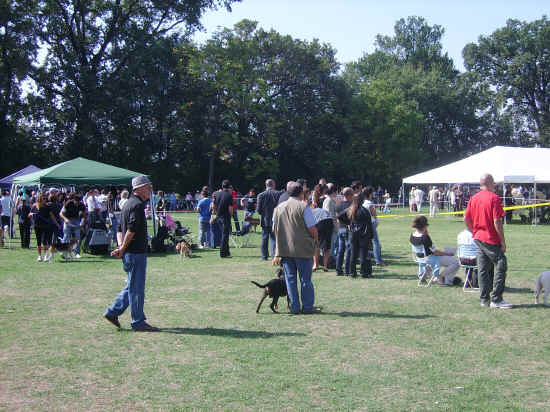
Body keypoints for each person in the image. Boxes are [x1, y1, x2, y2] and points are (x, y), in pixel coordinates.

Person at [104, 175, 159, 331]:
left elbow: (120, 230)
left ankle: (113, 312)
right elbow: (131, 229)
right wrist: (122, 248)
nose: (150, 190)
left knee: (132, 286)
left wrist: (121, 247)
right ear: (138, 189)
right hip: (135, 253)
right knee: (136, 289)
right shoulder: (137, 206)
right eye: (148, 187)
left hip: (130, 253)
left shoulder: (128, 204)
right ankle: (138, 321)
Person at [464, 173, 512, 308]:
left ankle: (484, 300)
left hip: (478, 237)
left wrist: (473, 230)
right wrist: (502, 241)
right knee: (501, 264)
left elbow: (466, 218)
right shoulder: (494, 198)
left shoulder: (473, 198)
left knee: (483, 269)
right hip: (490, 238)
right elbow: (497, 221)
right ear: (491, 183)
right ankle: (496, 299)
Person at [272, 181, 320, 314]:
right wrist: (316, 241)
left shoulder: (278, 208)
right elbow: (312, 229)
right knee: (306, 280)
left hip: (285, 249)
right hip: (303, 249)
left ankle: (294, 307)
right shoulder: (303, 207)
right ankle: (307, 307)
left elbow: (274, 229)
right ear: (301, 193)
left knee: (290, 281)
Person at [409, 215, 457, 285]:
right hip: (430, 259)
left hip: (420, 259)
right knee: (456, 262)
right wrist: (448, 254)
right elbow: (435, 252)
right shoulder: (425, 238)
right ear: (425, 226)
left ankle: (443, 279)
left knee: (446, 255)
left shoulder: (412, 236)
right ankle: (440, 277)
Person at [348, 190, 374, 278]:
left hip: (353, 235)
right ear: (361, 200)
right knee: (363, 254)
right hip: (363, 235)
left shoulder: (351, 210)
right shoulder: (364, 211)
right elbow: (369, 224)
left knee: (353, 255)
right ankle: (363, 272)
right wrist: (371, 235)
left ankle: (352, 272)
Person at [30, 192, 60, 262]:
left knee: (45, 241)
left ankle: (45, 256)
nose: (45, 200)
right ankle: (39, 256)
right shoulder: (34, 206)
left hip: (46, 226)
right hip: (37, 226)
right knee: (38, 241)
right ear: (39, 199)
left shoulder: (47, 207)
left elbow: (52, 216)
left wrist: (57, 224)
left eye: (46, 198)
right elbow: (29, 214)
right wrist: (32, 214)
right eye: (44, 198)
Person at [256, 179, 280, 260]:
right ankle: (274, 255)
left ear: (266, 185)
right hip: (275, 220)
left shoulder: (260, 195)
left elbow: (258, 210)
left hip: (264, 220)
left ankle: (264, 256)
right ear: (273, 185)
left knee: (264, 238)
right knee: (274, 238)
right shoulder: (278, 194)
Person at [362, 186, 385, 266]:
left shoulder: (363, 203)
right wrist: (376, 222)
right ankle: (378, 261)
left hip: (364, 225)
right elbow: (374, 215)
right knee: (376, 243)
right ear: (370, 194)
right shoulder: (369, 203)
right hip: (371, 224)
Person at [335, 187, 353, 276]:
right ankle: (347, 269)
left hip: (340, 229)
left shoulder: (338, 205)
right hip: (348, 229)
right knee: (349, 250)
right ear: (349, 195)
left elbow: (337, 217)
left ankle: (338, 269)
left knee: (340, 250)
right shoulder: (351, 205)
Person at [213, 179, 234, 258]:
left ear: (222, 186)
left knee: (224, 235)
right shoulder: (229, 195)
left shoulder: (217, 194)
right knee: (225, 236)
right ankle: (223, 254)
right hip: (225, 217)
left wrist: (216, 213)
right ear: (229, 187)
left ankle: (227, 252)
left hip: (218, 217)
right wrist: (231, 216)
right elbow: (230, 208)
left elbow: (213, 205)